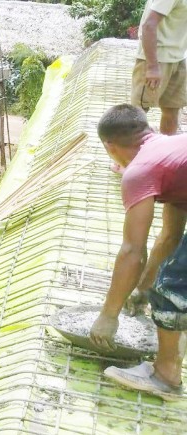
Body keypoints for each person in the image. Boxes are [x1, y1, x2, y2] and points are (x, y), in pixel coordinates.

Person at [87, 104, 187, 401]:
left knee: (170, 288)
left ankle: (166, 376)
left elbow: (133, 251)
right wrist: (142, 289)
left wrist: (109, 315)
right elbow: (170, 235)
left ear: (110, 146)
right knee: (171, 275)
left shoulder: (140, 170)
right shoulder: (173, 151)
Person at [131, 0, 187, 136]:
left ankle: (166, 153)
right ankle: (133, 156)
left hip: (178, 58)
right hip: (156, 59)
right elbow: (148, 26)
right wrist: (152, 67)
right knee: (138, 114)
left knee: (172, 110)